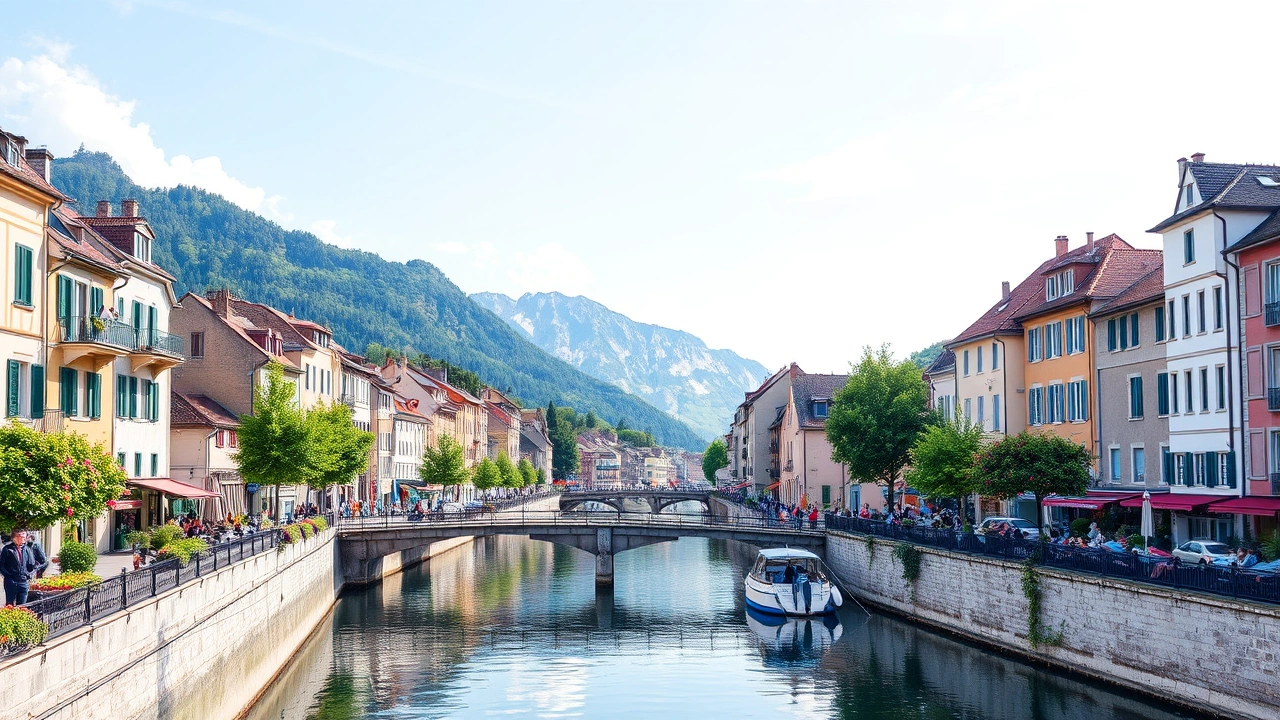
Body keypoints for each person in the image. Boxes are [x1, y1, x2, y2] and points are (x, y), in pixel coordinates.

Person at [1, 530, 37, 605]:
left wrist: (29, 574)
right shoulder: (7, 549)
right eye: (21, 536)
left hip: (23, 582)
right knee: (10, 605)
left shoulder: (27, 549)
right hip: (11, 582)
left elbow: (32, 565)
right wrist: (9, 575)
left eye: (24, 537)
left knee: (22, 605)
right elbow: (1, 565)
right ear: (15, 538)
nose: (23, 539)